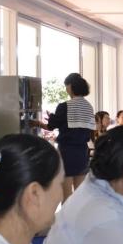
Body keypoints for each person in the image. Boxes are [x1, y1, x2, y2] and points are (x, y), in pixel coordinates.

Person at [36, 72, 95, 202]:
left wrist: (40, 123)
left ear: (71, 86)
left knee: (66, 194)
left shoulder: (65, 106)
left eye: (66, 85)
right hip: (82, 152)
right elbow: (90, 130)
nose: (66, 88)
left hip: (67, 152)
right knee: (80, 194)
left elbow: (51, 126)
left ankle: (67, 215)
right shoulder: (89, 107)